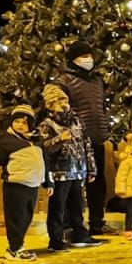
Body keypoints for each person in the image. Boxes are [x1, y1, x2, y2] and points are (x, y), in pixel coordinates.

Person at [38, 84, 102, 252]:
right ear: (49, 104)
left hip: (78, 170)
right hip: (60, 172)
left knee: (78, 205)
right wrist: (59, 140)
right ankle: (56, 239)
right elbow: (44, 149)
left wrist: (91, 168)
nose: (61, 103)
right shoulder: (47, 124)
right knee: (58, 208)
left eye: (63, 99)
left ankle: (80, 234)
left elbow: (86, 144)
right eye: (57, 100)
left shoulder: (77, 121)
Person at [0, 104, 46, 261]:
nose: (20, 125)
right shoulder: (6, 140)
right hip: (16, 184)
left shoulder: (34, 141)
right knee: (16, 217)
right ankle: (14, 248)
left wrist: (47, 182)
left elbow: (45, 162)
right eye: (17, 121)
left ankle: (19, 245)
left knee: (26, 217)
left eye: (24, 123)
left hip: (33, 184)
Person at [60, 43, 113, 235]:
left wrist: (105, 125)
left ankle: (97, 222)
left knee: (98, 182)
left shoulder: (97, 80)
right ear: (73, 59)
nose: (88, 59)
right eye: (83, 55)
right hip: (76, 141)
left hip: (96, 138)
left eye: (90, 55)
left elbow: (101, 107)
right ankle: (71, 225)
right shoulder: (64, 81)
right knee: (73, 184)